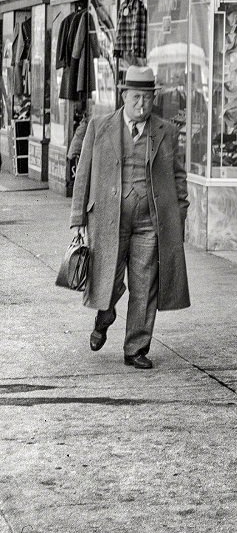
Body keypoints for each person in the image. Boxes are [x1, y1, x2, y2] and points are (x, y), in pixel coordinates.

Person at [68, 65, 189, 369]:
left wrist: (179, 217)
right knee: (107, 280)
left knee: (144, 284)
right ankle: (104, 314)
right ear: (124, 96)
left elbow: (178, 178)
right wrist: (78, 220)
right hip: (109, 219)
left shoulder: (166, 131)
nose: (142, 105)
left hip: (150, 223)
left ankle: (135, 348)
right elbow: (82, 175)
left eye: (147, 99)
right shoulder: (99, 127)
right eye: (136, 98)